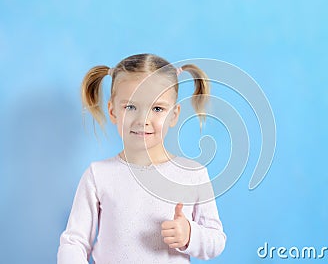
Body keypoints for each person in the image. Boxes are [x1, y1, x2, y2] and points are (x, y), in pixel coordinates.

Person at [57, 53, 226, 263]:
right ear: (113, 111)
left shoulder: (192, 174)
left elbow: (216, 240)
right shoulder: (99, 175)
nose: (143, 120)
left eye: (157, 108)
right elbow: (74, 242)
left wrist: (190, 234)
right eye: (130, 107)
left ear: (174, 115)